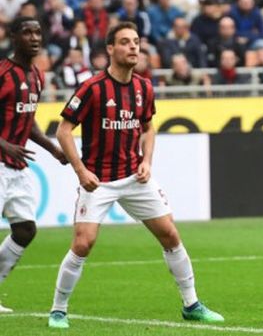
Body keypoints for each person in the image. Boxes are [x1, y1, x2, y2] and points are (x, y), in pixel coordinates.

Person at [47, 22, 223, 329]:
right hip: (98, 180)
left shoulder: (144, 87)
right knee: (83, 243)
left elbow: (148, 128)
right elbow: (63, 130)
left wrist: (147, 161)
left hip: (134, 177)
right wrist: (81, 170)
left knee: (170, 234)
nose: (133, 47)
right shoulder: (92, 88)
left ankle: (191, 304)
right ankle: (58, 310)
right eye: (125, 42)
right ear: (110, 49)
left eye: (136, 42)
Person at [0, 17, 68, 313]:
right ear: (13, 37)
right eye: (26, 32)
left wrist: (53, 148)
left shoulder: (38, 76)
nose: (34, 37)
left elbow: (27, 120)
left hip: (17, 167)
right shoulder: (2, 73)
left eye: (38, 32)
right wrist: (3, 144)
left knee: (25, 229)